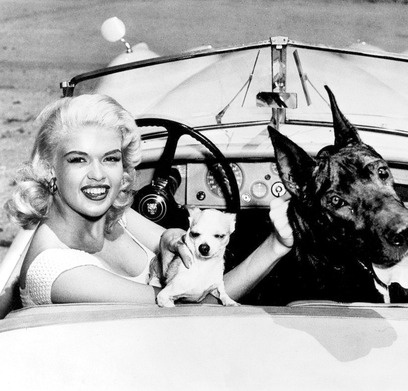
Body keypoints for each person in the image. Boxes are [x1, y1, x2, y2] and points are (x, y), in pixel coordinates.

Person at [4, 94, 293, 307]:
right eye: (78, 160)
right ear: (50, 169)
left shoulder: (116, 216)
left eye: (110, 158)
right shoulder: (58, 271)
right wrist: (274, 246)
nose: (98, 175)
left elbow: (186, 259)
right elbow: (198, 305)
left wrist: (170, 237)